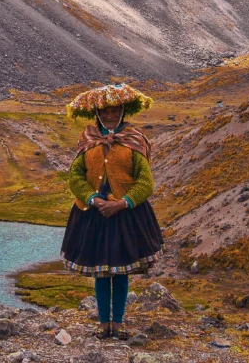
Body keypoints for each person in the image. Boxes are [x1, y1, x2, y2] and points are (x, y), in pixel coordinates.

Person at [60, 83, 164, 340]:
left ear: (123, 110)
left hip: (125, 215)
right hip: (93, 215)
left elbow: (146, 182)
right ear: (96, 112)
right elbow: (75, 176)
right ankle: (102, 324)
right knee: (100, 271)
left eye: (114, 110)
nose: (109, 115)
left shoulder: (134, 140)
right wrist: (93, 199)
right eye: (104, 111)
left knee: (120, 272)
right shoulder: (88, 139)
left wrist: (121, 202)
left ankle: (117, 323)